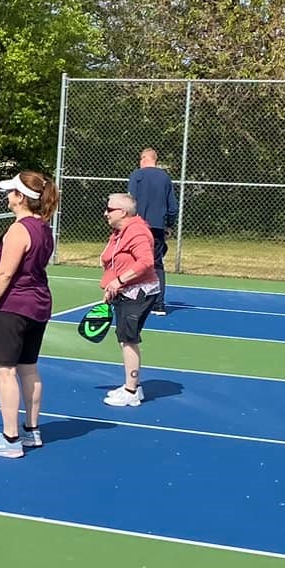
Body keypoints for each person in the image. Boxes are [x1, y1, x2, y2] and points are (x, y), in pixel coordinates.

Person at [0, 171, 60, 458]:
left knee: (4, 371)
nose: (7, 196)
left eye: (11, 192)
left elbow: (6, 273)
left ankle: (10, 440)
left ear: (21, 197)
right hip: (38, 305)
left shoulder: (19, 230)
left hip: (13, 307)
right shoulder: (44, 228)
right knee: (29, 368)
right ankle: (31, 431)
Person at [98, 191, 159, 407]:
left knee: (128, 339)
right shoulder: (120, 232)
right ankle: (132, 386)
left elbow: (145, 262)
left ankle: (131, 391)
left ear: (122, 212)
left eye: (109, 209)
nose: (105, 213)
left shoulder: (137, 232)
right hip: (125, 292)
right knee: (125, 338)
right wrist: (111, 285)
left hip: (137, 292)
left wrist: (119, 281)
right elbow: (116, 262)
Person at [128, 147, 178, 314]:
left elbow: (131, 201)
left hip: (137, 226)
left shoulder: (137, 175)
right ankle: (158, 304)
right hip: (157, 227)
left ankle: (135, 300)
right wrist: (168, 225)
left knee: (134, 260)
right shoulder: (165, 178)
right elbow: (173, 207)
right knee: (156, 263)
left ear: (143, 159)